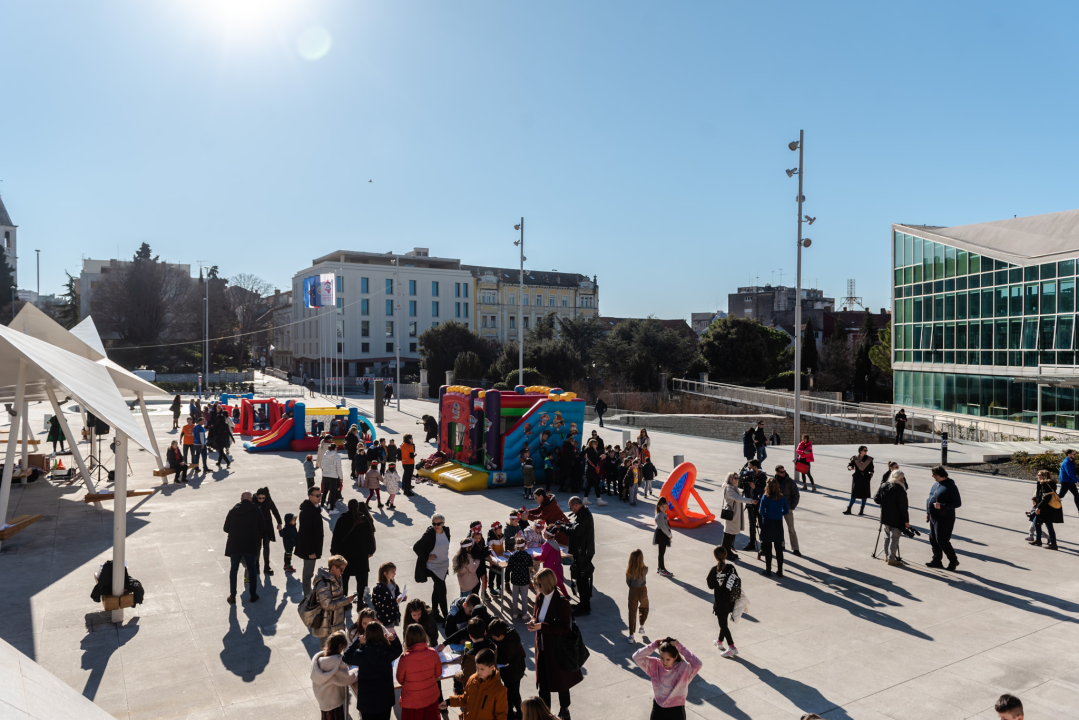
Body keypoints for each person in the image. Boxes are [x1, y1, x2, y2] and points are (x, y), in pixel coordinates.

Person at [528, 568, 582, 719]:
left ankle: (565, 710)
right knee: (543, 683)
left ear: (546, 583)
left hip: (558, 649)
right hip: (543, 647)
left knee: (561, 682)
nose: (537, 587)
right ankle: (545, 713)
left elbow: (564, 628)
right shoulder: (539, 597)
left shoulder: (562, 602)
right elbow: (535, 615)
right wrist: (533, 621)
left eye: (538, 584)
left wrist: (542, 626)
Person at [631, 637, 703, 720]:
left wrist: (680, 647)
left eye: (668, 659)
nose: (664, 662)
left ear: (675, 657)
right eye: (662, 658)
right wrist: (653, 645)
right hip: (658, 708)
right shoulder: (654, 665)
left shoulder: (684, 669)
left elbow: (698, 664)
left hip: (676, 710)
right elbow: (636, 656)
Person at [442, 647, 509, 720]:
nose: (478, 672)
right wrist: (448, 702)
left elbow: (501, 716)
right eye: (477, 668)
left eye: (482, 669)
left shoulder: (499, 690)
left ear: (492, 667)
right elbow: (465, 698)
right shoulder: (472, 679)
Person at [330, 499, 377, 601]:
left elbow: (336, 537)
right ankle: (360, 600)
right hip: (360, 554)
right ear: (357, 507)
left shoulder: (342, 519)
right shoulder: (363, 520)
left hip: (345, 554)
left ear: (348, 507)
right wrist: (371, 551)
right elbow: (369, 537)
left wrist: (333, 551)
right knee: (361, 579)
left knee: (344, 578)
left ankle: (344, 600)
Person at [396, 623, 444, 720]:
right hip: (431, 697)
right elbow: (438, 674)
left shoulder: (405, 658)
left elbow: (400, 680)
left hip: (412, 702)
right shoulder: (433, 653)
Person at [223, 491, 264, 604]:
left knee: (233, 570)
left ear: (241, 499)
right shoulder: (257, 510)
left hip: (235, 545)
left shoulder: (233, 511)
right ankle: (253, 595)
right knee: (252, 569)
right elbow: (262, 526)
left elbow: (226, 528)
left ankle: (232, 596)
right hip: (250, 544)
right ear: (251, 499)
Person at [310, 630, 358, 720]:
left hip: (323, 701)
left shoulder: (319, 659)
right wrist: (356, 670)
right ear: (340, 646)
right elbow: (348, 678)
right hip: (334, 703)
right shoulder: (336, 662)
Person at [414, 514, 452, 622]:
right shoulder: (429, 534)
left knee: (437, 589)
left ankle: (434, 612)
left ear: (443, 523)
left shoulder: (446, 531)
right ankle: (446, 617)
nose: (436, 526)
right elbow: (416, 547)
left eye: (438, 524)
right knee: (442, 591)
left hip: (443, 565)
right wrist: (426, 557)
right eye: (434, 524)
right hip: (433, 567)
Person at [313, 555, 357, 647]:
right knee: (327, 654)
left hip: (336, 623)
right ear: (333, 568)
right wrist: (346, 601)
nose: (342, 572)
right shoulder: (323, 583)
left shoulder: (336, 578)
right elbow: (327, 605)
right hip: (326, 626)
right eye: (341, 570)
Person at [562, 496, 595, 616]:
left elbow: (576, 532)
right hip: (582, 552)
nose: (570, 510)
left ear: (576, 505)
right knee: (581, 579)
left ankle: (585, 607)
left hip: (584, 553)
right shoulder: (583, 513)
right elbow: (575, 527)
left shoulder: (584, 515)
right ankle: (583, 603)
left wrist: (562, 528)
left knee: (582, 579)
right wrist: (565, 524)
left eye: (570, 507)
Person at [926, 466, 962, 571]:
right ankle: (937, 560)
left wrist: (942, 505)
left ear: (940, 474)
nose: (932, 476)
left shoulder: (950, 486)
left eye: (934, 474)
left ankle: (953, 560)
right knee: (932, 538)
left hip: (945, 517)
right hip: (933, 516)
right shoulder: (936, 484)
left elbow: (957, 503)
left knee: (942, 540)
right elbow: (930, 498)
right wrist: (928, 511)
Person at [706, 546, 741, 657]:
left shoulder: (713, 570)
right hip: (731, 600)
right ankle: (720, 641)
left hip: (720, 603)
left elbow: (710, 586)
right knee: (724, 622)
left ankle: (732, 647)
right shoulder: (731, 568)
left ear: (715, 557)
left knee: (723, 624)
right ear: (725, 555)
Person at [489, 618, 526, 720]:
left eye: (494, 637)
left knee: (509, 697)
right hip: (510, 670)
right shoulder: (504, 634)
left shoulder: (511, 641)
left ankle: (510, 716)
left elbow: (503, 659)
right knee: (514, 694)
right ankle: (520, 712)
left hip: (514, 672)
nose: (492, 639)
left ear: (501, 636)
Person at [297, 486, 326, 596]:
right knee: (308, 573)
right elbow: (305, 533)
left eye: (320, 495)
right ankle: (307, 596)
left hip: (313, 547)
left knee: (309, 572)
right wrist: (310, 551)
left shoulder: (314, 508)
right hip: (310, 549)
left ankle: (308, 594)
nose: (320, 497)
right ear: (310, 496)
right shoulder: (306, 512)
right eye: (317, 496)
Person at [877, 470, 911, 566]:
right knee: (894, 538)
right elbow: (904, 508)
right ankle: (891, 558)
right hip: (896, 518)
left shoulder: (884, 486)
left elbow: (876, 499)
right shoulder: (900, 490)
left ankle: (886, 556)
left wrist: (885, 503)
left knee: (887, 536)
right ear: (900, 478)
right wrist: (906, 521)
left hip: (885, 516)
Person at [758, 477, 789, 579]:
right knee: (778, 549)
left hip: (767, 522)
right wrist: (779, 514)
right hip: (778, 523)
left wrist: (765, 514)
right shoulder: (781, 497)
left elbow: (761, 510)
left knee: (768, 549)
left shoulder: (765, 497)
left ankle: (768, 570)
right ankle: (780, 571)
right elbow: (786, 510)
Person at [720, 471, 754, 562]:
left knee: (732, 533)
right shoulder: (728, 489)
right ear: (730, 478)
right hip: (731, 514)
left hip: (735, 514)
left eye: (737, 478)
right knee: (728, 534)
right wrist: (751, 501)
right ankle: (725, 553)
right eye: (735, 478)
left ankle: (728, 551)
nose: (736, 480)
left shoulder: (733, 487)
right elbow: (738, 498)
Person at [1029, 469, 1063, 550]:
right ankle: (1038, 540)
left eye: (1039, 475)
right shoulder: (1048, 484)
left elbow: (1046, 498)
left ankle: (1053, 544)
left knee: (1048, 525)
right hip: (1046, 508)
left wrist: (1038, 507)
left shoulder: (1045, 484)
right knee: (1037, 522)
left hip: (1046, 509)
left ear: (1044, 476)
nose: (1038, 476)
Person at [253, 487, 283, 576]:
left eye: (263, 498)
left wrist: (279, 522)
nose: (261, 500)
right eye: (259, 498)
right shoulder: (253, 501)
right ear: (256, 496)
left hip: (266, 527)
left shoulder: (268, 500)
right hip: (257, 529)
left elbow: (275, 511)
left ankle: (267, 567)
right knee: (257, 548)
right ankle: (256, 566)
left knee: (266, 547)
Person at [773, 465, 801, 556]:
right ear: (777, 472)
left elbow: (796, 495)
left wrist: (791, 507)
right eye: (781, 472)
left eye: (784, 471)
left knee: (791, 529)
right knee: (779, 528)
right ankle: (782, 545)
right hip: (777, 509)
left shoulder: (790, 482)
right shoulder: (773, 482)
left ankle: (795, 548)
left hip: (788, 509)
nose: (783, 473)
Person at [740, 460, 766, 551]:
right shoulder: (747, 475)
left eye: (750, 466)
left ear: (755, 466)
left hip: (759, 504)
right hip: (750, 502)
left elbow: (765, 491)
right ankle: (752, 543)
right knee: (751, 524)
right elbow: (740, 485)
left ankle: (763, 545)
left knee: (761, 524)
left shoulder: (762, 476)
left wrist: (755, 488)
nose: (748, 468)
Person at [371, 561, 406, 628]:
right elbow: (380, 604)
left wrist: (402, 597)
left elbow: (395, 595)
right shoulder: (380, 588)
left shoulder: (393, 584)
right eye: (392, 572)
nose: (394, 573)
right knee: (389, 634)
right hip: (385, 617)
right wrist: (395, 602)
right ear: (385, 573)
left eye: (395, 571)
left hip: (393, 613)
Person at [625, 548, 649, 643]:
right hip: (643, 589)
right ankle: (641, 626)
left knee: (632, 611)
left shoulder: (629, 571)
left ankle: (631, 635)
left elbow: (628, 582)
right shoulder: (645, 569)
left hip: (633, 590)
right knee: (644, 607)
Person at [844, 446, 874, 516]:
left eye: (866, 450)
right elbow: (850, 465)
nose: (866, 451)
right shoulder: (854, 458)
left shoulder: (869, 459)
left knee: (864, 495)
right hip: (857, 478)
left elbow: (872, 470)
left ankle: (861, 510)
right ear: (860, 451)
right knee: (854, 494)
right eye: (864, 450)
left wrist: (869, 476)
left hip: (865, 478)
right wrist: (850, 467)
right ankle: (849, 509)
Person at [507, 537, 533, 620]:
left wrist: (506, 579)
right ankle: (524, 614)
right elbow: (531, 566)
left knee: (515, 597)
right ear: (524, 546)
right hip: (525, 579)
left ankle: (515, 613)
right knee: (524, 597)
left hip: (515, 579)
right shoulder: (527, 556)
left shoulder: (512, 555)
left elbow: (509, 568)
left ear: (516, 546)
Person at [539, 527, 568, 597]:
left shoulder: (547, 544)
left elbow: (543, 557)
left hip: (550, 568)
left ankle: (545, 598)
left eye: (545, 533)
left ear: (548, 535)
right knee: (560, 583)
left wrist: (533, 557)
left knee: (548, 584)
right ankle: (566, 596)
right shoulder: (555, 542)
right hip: (557, 566)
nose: (543, 534)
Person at [581, 439, 606, 506]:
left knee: (589, 485)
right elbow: (595, 461)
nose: (597, 446)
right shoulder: (591, 451)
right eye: (596, 444)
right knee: (596, 485)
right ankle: (599, 500)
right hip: (591, 471)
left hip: (589, 470)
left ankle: (585, 499)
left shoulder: (588, 450)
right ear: (592, 444)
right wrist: (601, 457)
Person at [653, 496, 674, 577]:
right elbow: (663, 527)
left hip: (662, 534)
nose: (664, 508)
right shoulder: (660, 515)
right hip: (662, 534)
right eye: (662, 507)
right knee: (661, 553)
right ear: (659, 506)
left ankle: (659, 568)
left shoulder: (662, 514)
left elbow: (665, 525)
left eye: (665, 507)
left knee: (661, 553)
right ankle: (662, 569)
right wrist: (669, 534)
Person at [321, 442, 344, 510]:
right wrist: (341, 477)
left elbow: (322, 465)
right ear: (335, 448)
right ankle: (331, 508)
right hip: (333, 476)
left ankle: (321, 506)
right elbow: (338, 468)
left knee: (325, 491)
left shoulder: (325, 455)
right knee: (332, 492)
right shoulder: (337, 456)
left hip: (325, 475)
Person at [1058, 448, 1079, 513]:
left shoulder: (1071, 461)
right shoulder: (1066, 462)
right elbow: (1069, 473)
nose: (1075, 455)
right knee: (1061, 496)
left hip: (1070, 481)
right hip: (1066, 482)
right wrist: (1078, 480)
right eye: (1073, 454)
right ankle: (1046, 502)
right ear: (1069, 455)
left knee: (1076, 495)